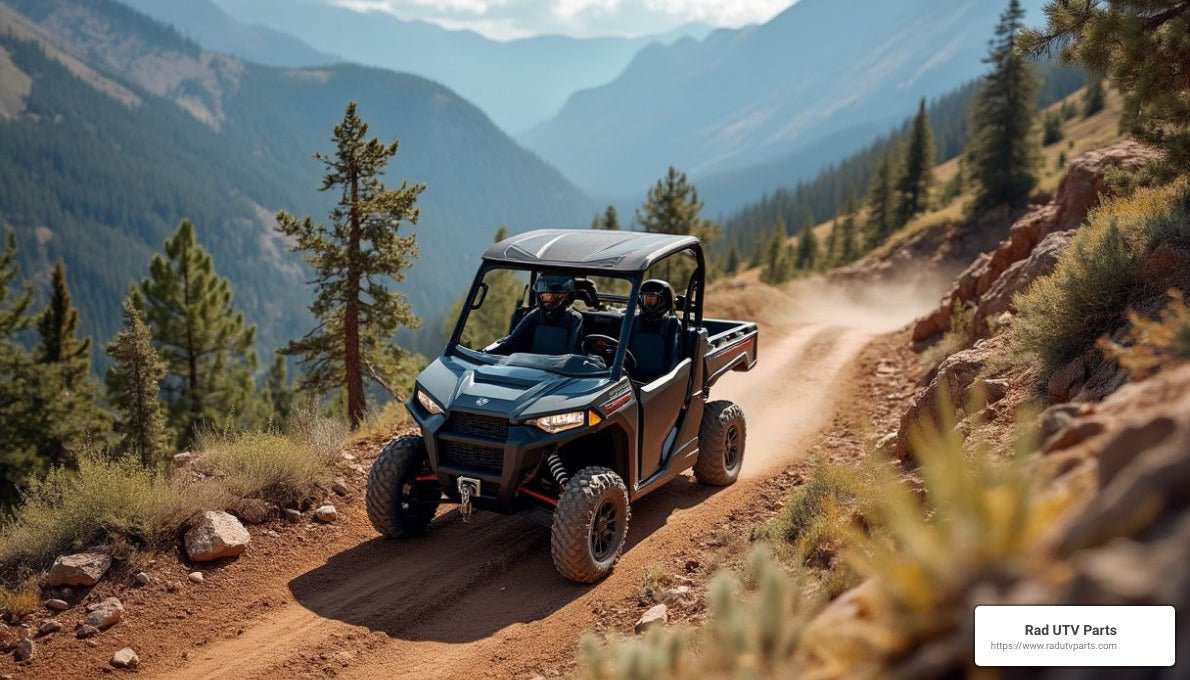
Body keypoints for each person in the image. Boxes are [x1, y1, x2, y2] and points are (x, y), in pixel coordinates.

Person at [493, 273, 584, 355]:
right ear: (539, 296)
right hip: (532, 367)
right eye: (545, 296)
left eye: (555, 296)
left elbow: (571, 352)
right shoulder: (535, 315)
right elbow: (511, 342)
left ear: (567, 297)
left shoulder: (574, 318)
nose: (549, 299)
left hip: (559, 370)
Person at [629, 279, 681, 380]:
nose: (648, 304)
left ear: (664, 301)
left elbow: (673, 359)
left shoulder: (671, 324)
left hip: (658, 381)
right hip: (632, 376)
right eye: (646, 299)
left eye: (652, 300)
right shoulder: (634, 321)